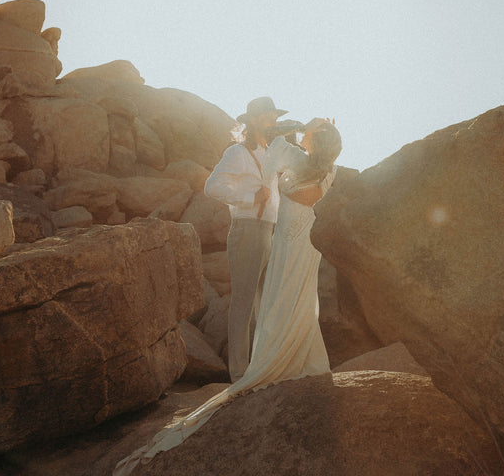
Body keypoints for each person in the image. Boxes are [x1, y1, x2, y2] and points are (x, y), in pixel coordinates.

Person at [113, 118, 343, 475]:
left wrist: (282, 178)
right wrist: (268, 179)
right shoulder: (273, 154)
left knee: (288, 298)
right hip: (278, 236)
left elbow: (302, 194)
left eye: (311, 129)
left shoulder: (323, 167)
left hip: (297, 240)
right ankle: (252, 364)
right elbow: (253, 177)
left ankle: (284, 357)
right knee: (264, 300)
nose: (300, 130)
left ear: (321, 139)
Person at [203, 96, 287, 381]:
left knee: (265, 302)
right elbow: (212, 186)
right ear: (253, 120)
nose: (273, 120)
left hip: (269, 230)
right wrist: (250, 198)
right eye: (268, 115)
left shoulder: (271, 152)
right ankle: (239, 373)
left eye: (274, 115)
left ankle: (260, 366)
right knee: (244, 301)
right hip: (248, 229)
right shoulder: (238, 152)